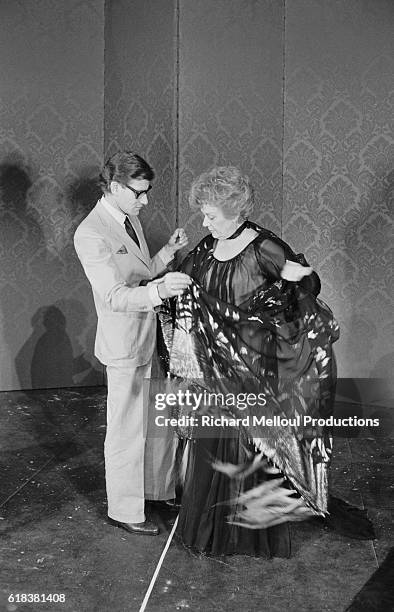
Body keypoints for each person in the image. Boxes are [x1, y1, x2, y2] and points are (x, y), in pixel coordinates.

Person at [158, 166, 340, 557]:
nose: (205, 222)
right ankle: (209, 531)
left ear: (235, 211)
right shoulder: (206, 248)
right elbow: (182, 283)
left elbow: (306, 290)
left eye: (211, 215)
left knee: (248, 450)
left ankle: (249, 536)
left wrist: (295, 280)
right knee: (211, 449)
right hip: (214, 370)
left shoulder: (265, 247)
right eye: (203, 214)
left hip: (255, 371)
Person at [74, 151, 191, 536]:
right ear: (114, 187)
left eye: (146, 192)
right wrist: (160, 291)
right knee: (125, 428)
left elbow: (140, 274)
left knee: (159, 422)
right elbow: (114, 295)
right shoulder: (91, 233)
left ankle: (156, 491)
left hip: (151, 335)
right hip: (124, 344)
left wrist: (165, 255)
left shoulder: (130, 220)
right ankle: (124, 509)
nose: (145, 201)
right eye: (139, 193)